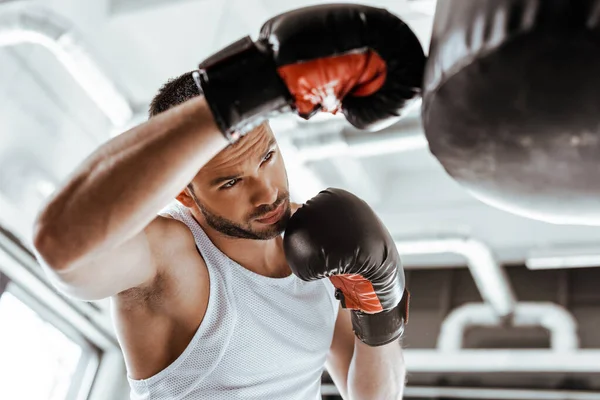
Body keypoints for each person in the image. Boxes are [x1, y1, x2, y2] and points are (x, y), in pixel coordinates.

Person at [32, 4, 423, 399]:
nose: (267, 192)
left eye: (267, 156)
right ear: (185, 193)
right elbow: (62, 248)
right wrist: (247, 87)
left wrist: (381, 311)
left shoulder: (316, 242)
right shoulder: (171, 257)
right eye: (232, 182)